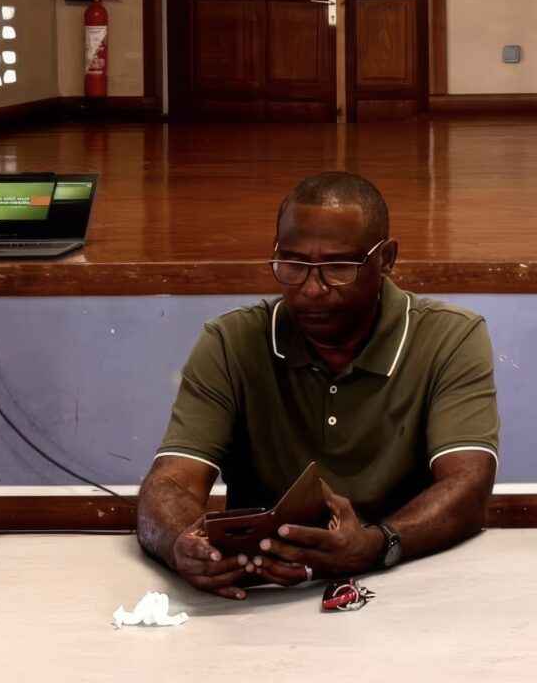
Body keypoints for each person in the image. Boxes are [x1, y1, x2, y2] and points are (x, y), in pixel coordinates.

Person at [138, 172, 498, 598]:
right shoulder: (230, 342)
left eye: (338, 267)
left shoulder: (450, 337)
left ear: (386, 259)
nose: (312, 289)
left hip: (412, 583)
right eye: (293, 265)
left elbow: (469, 486)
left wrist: (376, 544)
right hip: (263, 596)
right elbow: (169, 483)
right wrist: (183, 546)